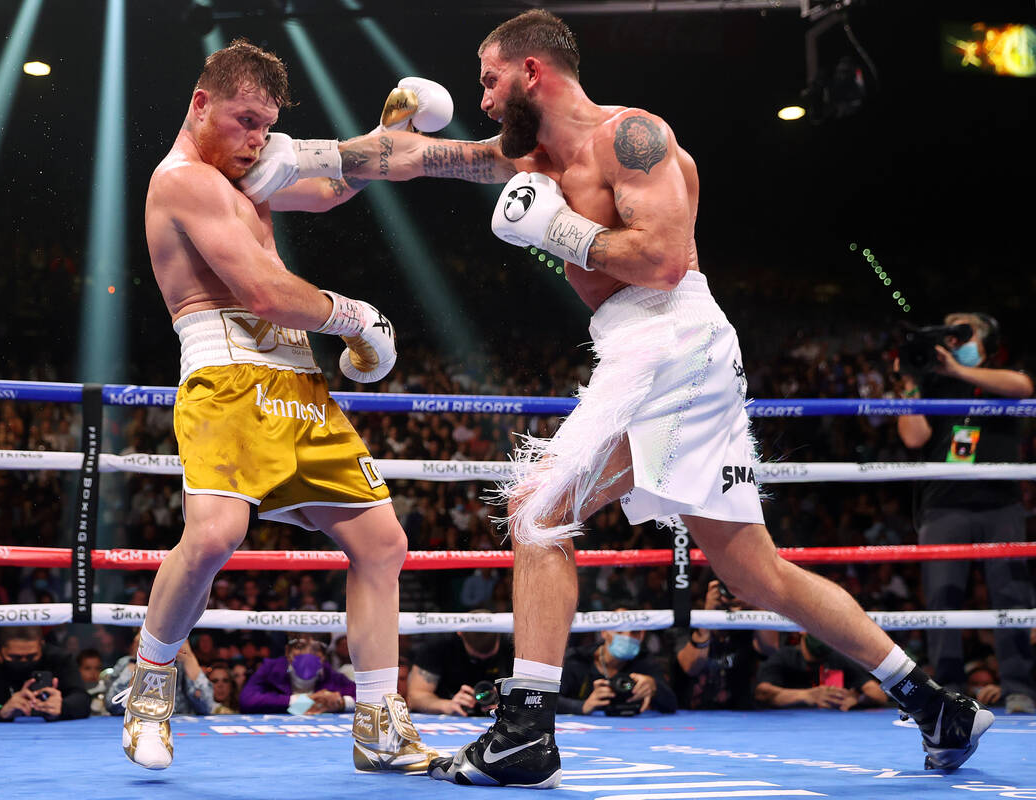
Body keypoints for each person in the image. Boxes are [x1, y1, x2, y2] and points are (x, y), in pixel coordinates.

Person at [252, 9, 994, 785]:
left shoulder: (633, 136)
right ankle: (936, 702)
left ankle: (526, 729)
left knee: (539, 508)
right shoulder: (523, 155)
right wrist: (291, 155)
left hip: (673, 342)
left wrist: (560, 229)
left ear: (532, 71)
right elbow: (416, 156)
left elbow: (665, 260)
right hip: (664, 353)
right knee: (755, 575)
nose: (482, 97)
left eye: (489, 78)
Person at [129, 37, 436, 774]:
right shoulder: (182, 183)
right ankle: (146, 691)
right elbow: (263, 293)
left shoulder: (247, 173)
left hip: (297, 382)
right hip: (228, 375)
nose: (257, 139)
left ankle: (376, 724)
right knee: (212, 537)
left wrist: (393, 132)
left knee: (381, 542)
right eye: (244, 121)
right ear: (201, 105)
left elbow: (333, 187)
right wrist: (356, 317)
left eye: (266, 124)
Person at [895, 312, 1036, 715]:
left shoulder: (1002, 379)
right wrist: (909, 382)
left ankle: (1018, 687)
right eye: (948, 332)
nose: (954, 339)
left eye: (963, 332)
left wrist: (958, 367)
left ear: (986, 343)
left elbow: (1024, 387)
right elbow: (914, 436)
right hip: (943, 505)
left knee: (1010, 593)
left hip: (1000, 505)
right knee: (942, 599)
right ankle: (949, 689)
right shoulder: (934, 384)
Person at [671, 578, 778, 711]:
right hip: (692, 715)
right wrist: (707, 616)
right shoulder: (690, 621)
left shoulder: (745, 624)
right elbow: (691, 667)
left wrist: (755, 605)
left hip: (740, 714)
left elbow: (771, 648)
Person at [0, 626, 89, 722]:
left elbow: (82, 699)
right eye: (15, 658)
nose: (24, 662)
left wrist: (62, 707)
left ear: (41, 646)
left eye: (31, 657)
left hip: (51, 738)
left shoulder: (59, 659)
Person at [560, 618, 675, 716]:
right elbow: (546, 700)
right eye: (620, 630)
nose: (628, 637)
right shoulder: (576, 659)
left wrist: (655, 688)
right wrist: (582, 706)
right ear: (604, 632)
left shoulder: (645, 661)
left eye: (634, 632)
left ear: (642, 634)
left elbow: (672, 703)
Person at [755, 632, 888, 711]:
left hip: (830, 728)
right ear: (802, 630)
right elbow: (762, 692)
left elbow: (878, 694)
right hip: (788, 727)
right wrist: (806, 695)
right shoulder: (785, 657)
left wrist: (858, 699)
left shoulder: (838, 658)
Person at [407, 625, 514, 716]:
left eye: (489, 657)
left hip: (502, 721)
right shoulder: (440, 644)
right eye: (475, 657)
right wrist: (446, 705)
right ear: (460, 633)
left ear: (499, 634)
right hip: (449, 719)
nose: (482, 661)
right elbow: (415, 696)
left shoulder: (514, 644)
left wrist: (511, 704)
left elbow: (529, 694)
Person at [239, 634, 355, 714]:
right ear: (288, 651)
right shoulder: (270, 669)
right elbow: (247, 700)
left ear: (324, 656)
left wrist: (342, 703)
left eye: (315, 649)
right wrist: (306, 700)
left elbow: (367, 699)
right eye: (300, 647)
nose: (307, 654)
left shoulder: (333, 677)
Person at [108, 637, 213, 718]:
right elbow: (113, 705)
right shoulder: (126, 663)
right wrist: (140, 659)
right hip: (140, 723)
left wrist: (189, 659)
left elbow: (206, 707)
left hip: (180, 725)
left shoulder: (182, 664)